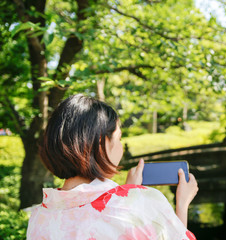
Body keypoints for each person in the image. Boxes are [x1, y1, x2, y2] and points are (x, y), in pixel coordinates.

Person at [27, 94, 198, 239]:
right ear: (101, 144)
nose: (121, 147)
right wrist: (182, 205)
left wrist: (129, 191)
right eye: (119, 138)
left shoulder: (38, 218)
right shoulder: (141, 201)